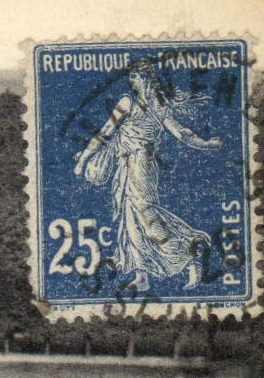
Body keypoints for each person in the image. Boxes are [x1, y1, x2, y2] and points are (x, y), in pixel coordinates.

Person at [73, 60, 222, 293]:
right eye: (130, 77)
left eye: (135, 77)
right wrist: (83, 159)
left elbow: (181, 133)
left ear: (146, 79)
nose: (131, 82)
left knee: (144, 215)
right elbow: (104, 133)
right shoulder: (128, 103)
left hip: (140, 164)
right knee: (128, 218)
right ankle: (141, 275)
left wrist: (205, 144)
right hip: (126, 165)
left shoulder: (155, 107)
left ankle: (191, 250)